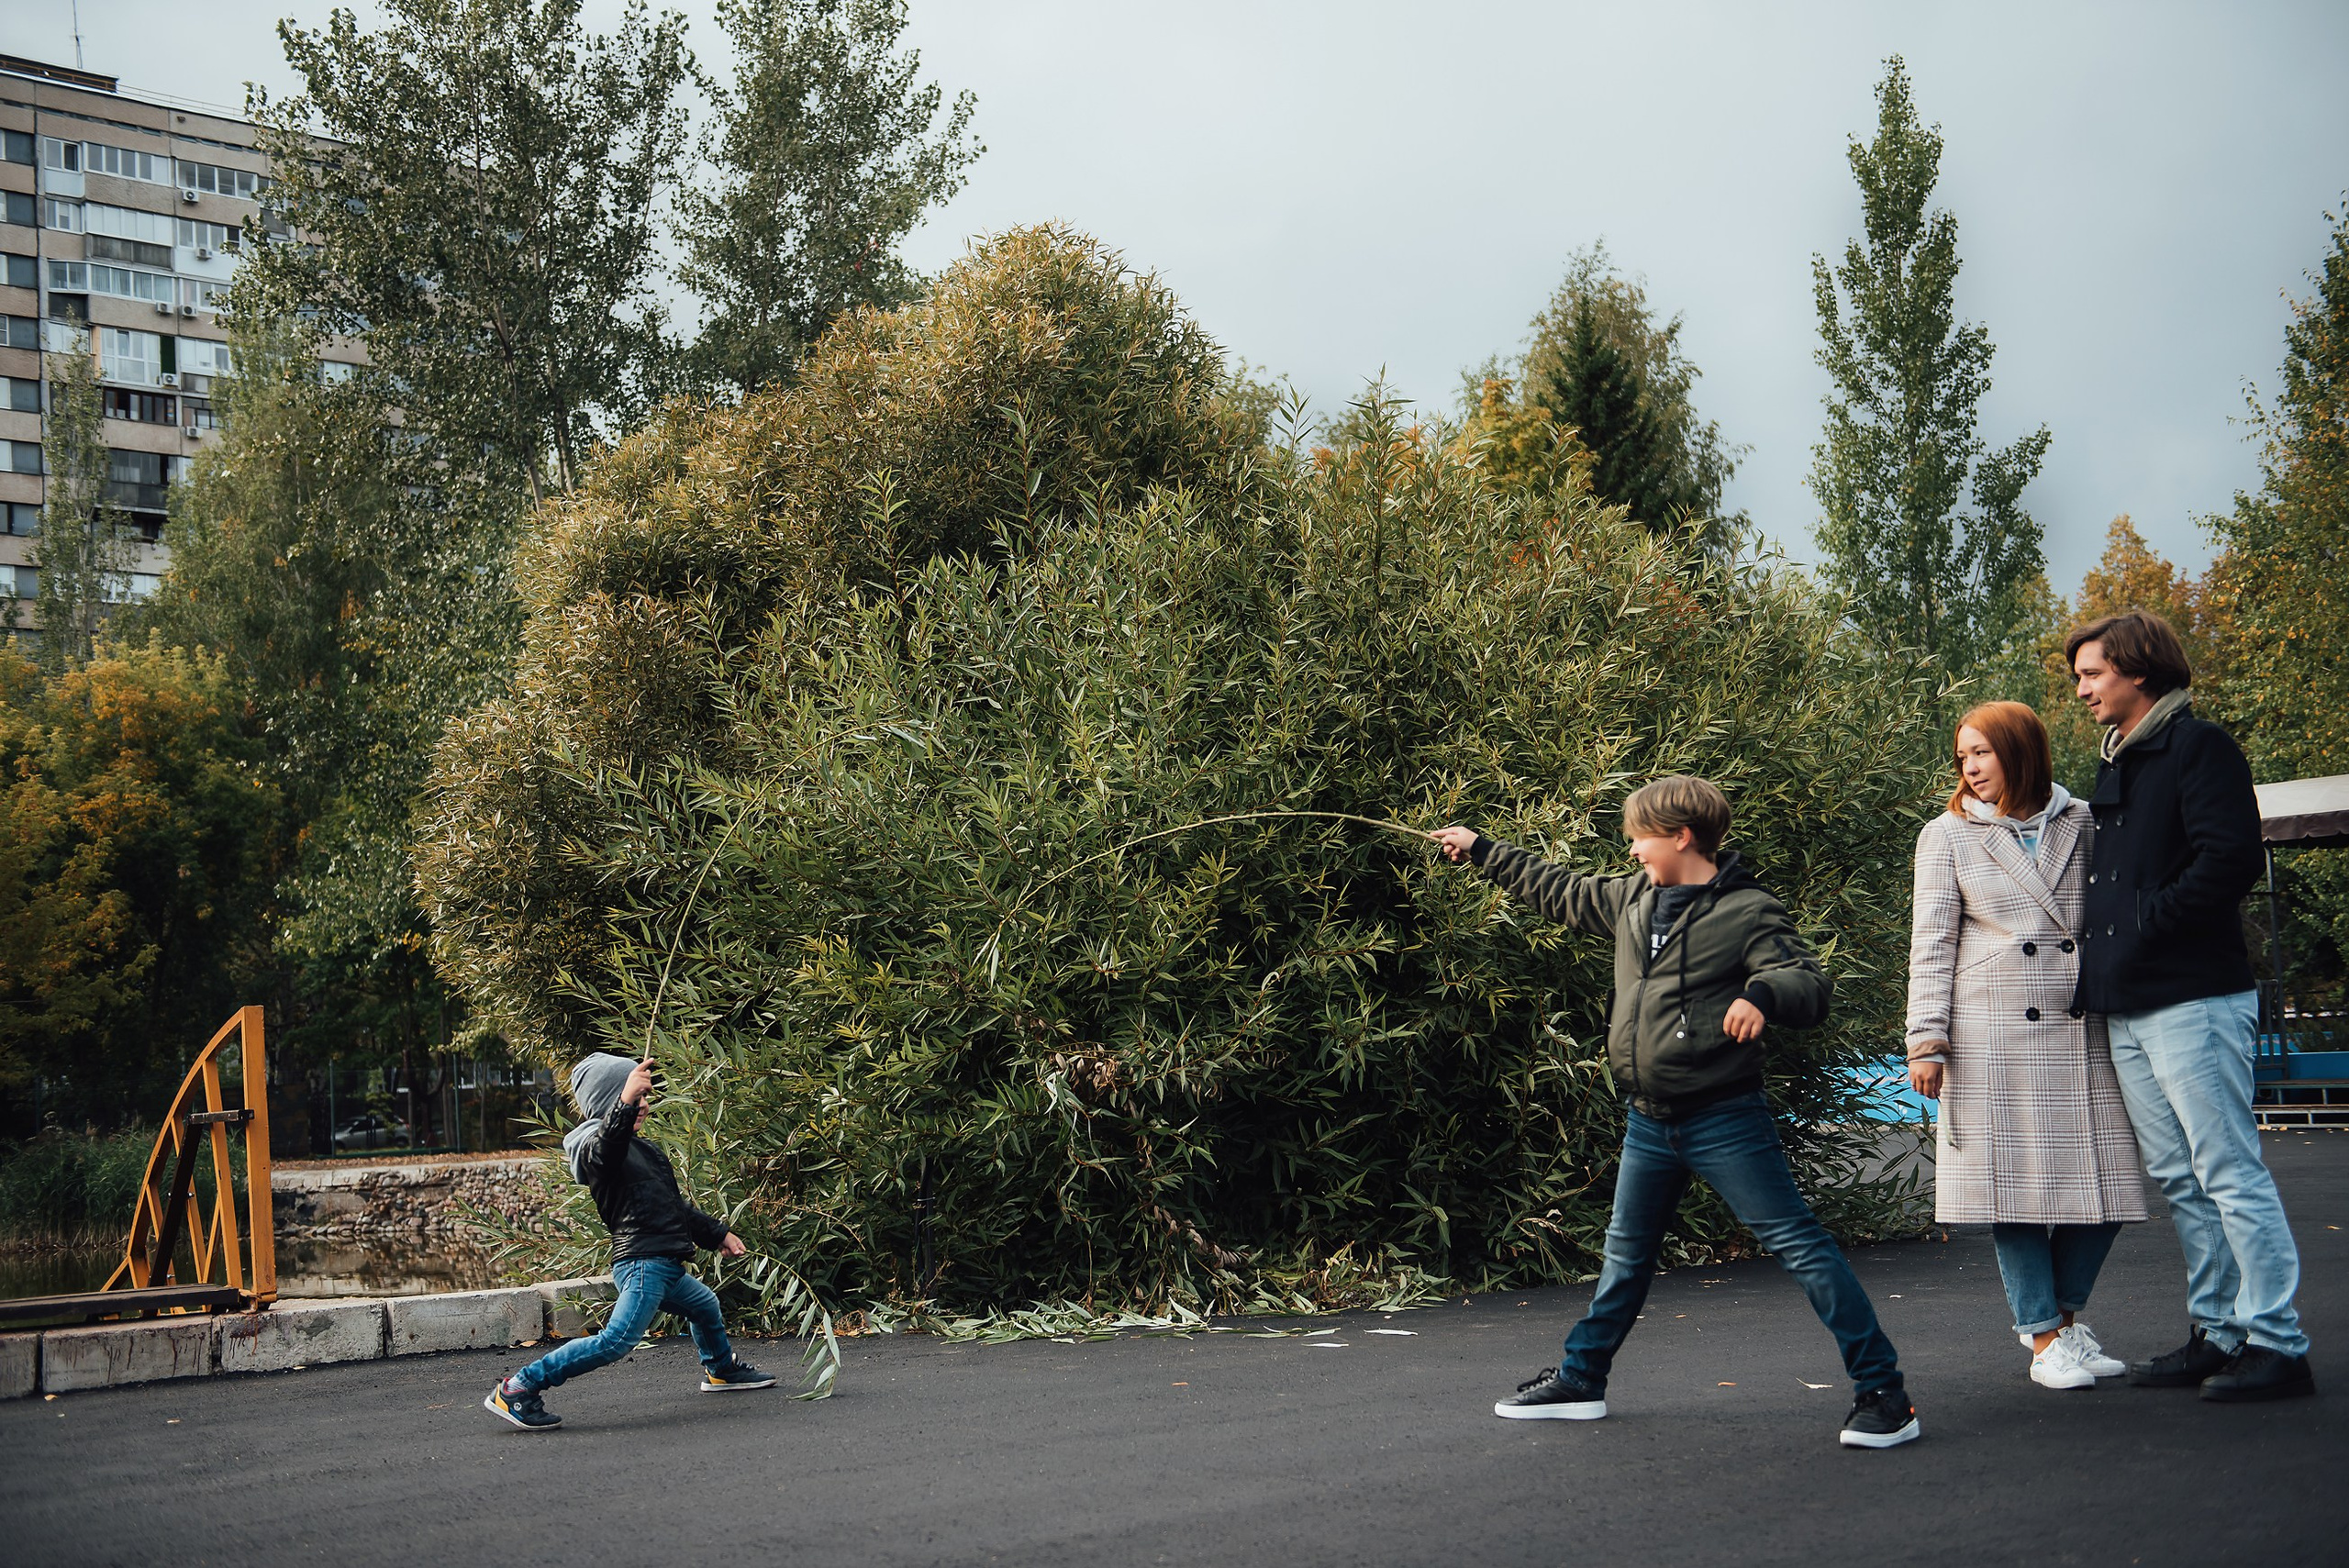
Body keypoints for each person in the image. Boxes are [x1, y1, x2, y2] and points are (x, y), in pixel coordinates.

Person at [1432, 775, 1920, 1450]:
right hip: (1648, 1119)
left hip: (1724, 1116)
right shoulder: (1635, 897)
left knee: (1801, 1247)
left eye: (1639, 836)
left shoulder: (1747, 910)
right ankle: (1582, 1380)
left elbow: (1808, 982)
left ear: (1682, 836)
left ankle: (1885, 1394)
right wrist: (1481, 847)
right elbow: (1561, 889)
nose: (1631, 849)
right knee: (1624, 1257)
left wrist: (1761, 995)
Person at [2068, 611, 2315, 1401]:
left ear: (2139, 671)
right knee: (2179, 1175)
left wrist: (2145, 925)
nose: (2082, 689)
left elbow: (2231, 858)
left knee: (2228, 1171)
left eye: (2092, 673)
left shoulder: (2197, 747)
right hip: (2132, 1000)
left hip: (2195, 997)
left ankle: (2280, 1342)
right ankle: (2218, 1332)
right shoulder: (2122, 764)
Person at [1905, 701, 2147, 1391]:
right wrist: (1927, 1038)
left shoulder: (2085, 820)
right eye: (1963, 757)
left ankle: (2065, 1323)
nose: (1971, 768)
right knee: (2009, 1191)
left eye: (1982, 751)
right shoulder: (1946, 835)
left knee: (2110, 1188)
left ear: (2022, 750)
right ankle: (2043, 1337)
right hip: (1991, 1029)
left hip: (2081, 1023)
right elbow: (1932, 942)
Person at [485, 1052, 776, 1430]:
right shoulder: (596, 1150)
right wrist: (624, 1103)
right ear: (612, 1101)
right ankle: (517, 1388)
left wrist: (718, 1233)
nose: (644, 1104)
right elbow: (608, 1146)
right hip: (642, 1263)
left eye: (643, 1097)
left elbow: (676, 1209)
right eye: (637, 1097)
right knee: (618, 1340)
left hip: (664, 1263)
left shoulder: (645, 1151)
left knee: (704, 1305)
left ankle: (721, 1371)